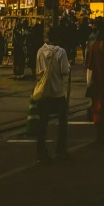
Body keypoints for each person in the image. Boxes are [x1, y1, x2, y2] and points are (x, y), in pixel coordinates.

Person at [33, 26, 72, 163]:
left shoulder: (40, 51)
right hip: (57, 92)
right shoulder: (61, 52)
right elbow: (64, 71)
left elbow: (38, 71)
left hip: (44, 92)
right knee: (62, 121)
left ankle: (41, 151)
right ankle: (60, 149)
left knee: (43, 122)